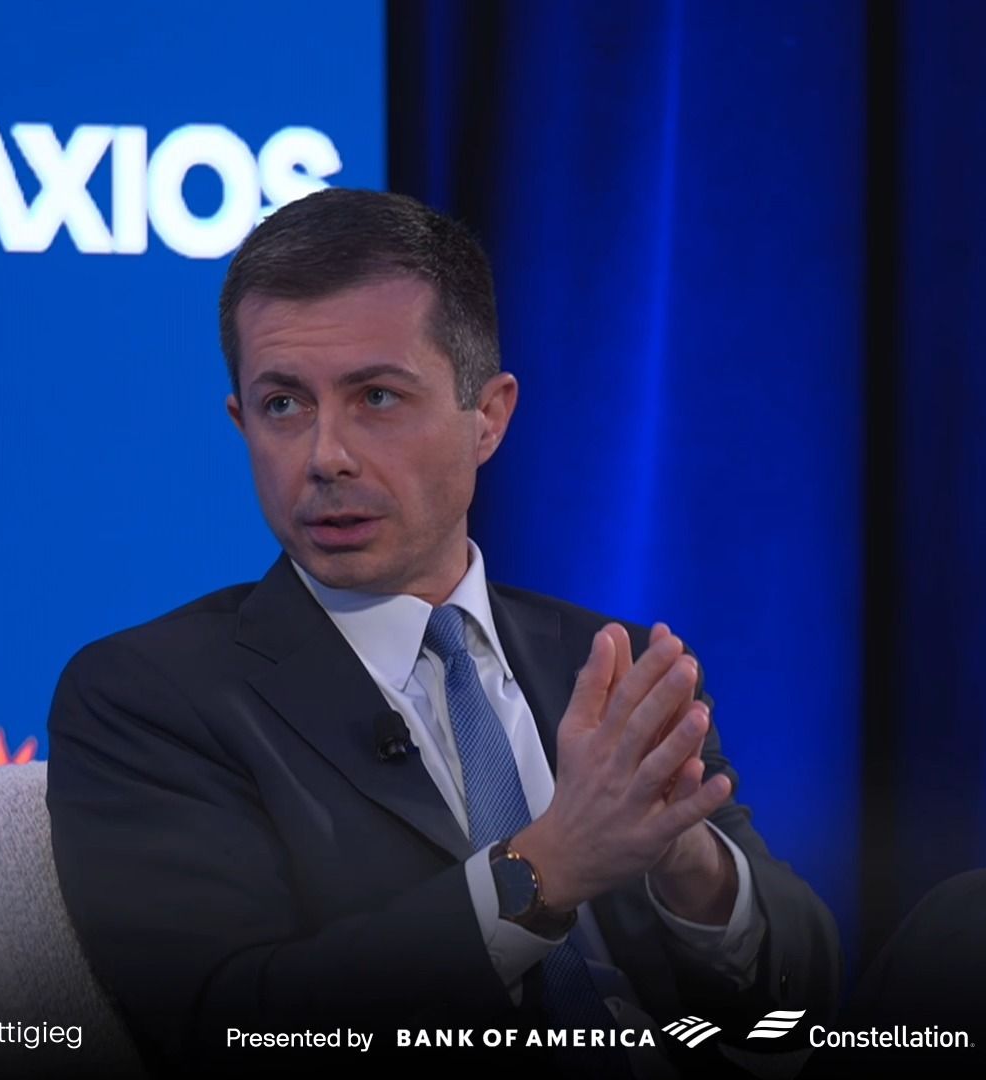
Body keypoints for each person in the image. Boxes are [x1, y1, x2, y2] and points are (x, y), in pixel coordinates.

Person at [46, 188, 842, 1078]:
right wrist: (548, 866)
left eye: (377, 397)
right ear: (240, 423)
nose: (325, 455)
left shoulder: (606, 662)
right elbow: (225, 1028)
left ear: (489, 416)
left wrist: (686, 863)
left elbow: (798, 1005)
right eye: (282, 406)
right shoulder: (152, 696)